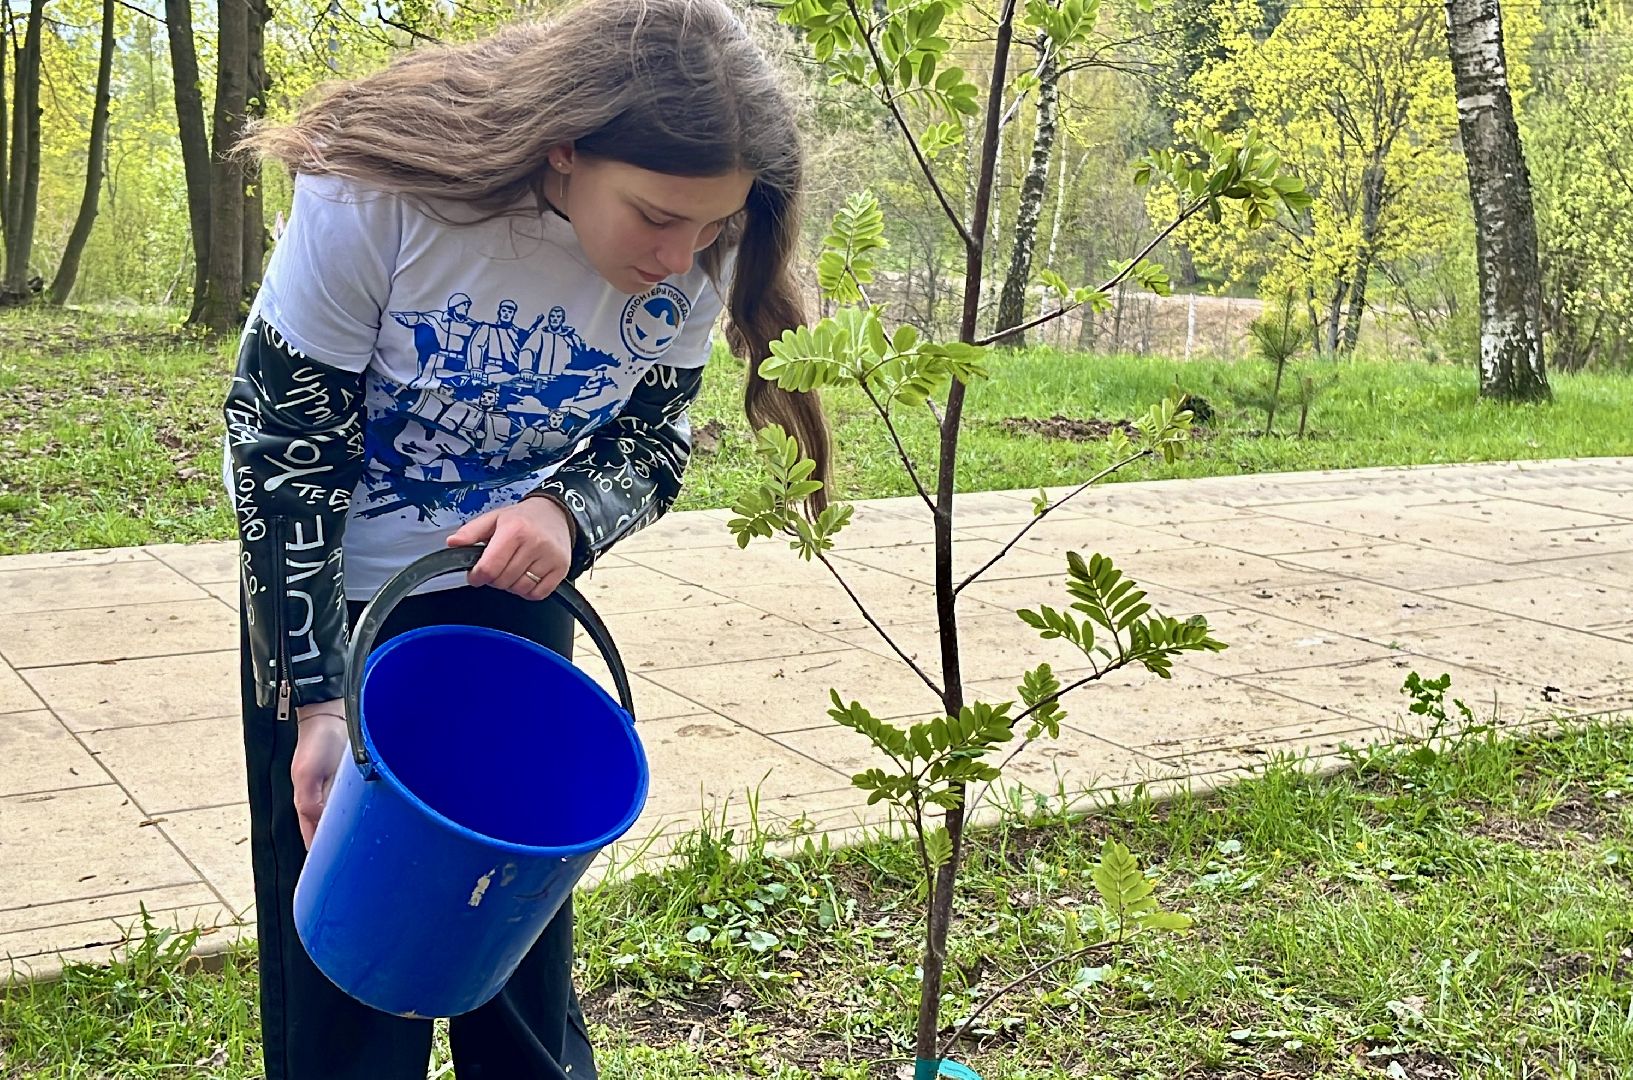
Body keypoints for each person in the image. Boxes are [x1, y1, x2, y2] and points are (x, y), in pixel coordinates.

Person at [222, 2, 831, 1077]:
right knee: (348, 935)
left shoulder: (694, 249)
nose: (677, 254)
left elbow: (651, 442)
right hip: (336, 595)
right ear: (565, 147)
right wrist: (312, 705)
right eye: (653, 217)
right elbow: (282, 453)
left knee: (511, 909)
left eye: (707, 226)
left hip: (509, 590)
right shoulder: (375, 196)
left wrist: (564, 512)